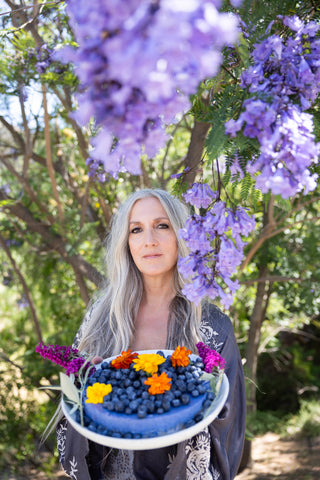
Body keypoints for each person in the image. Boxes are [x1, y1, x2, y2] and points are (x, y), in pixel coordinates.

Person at [56, 188, 246, 480]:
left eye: (162, 225)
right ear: (126, 242)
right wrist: (85, 394)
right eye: (136, 229)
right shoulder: (100, 320)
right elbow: (69, 430)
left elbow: (229, 438)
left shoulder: (212, 327)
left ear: (182, 235)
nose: (149, 241)